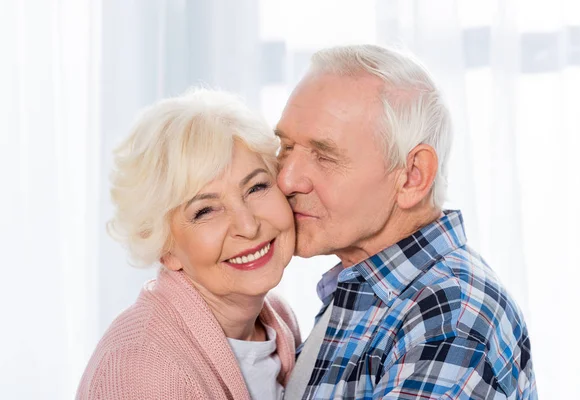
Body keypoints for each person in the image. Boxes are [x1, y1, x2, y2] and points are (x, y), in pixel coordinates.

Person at [277, 45, 537, 399]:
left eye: (324, 156)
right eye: (286, 147)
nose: (287, 180)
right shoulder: (367, 288)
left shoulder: (448, 322)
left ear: (413, 176)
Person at [77, 88, 301, 400]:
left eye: (257, 187)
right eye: (205, 210)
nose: (248, 226)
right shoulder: (141, 366)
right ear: (165, 248)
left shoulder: (277, 318)